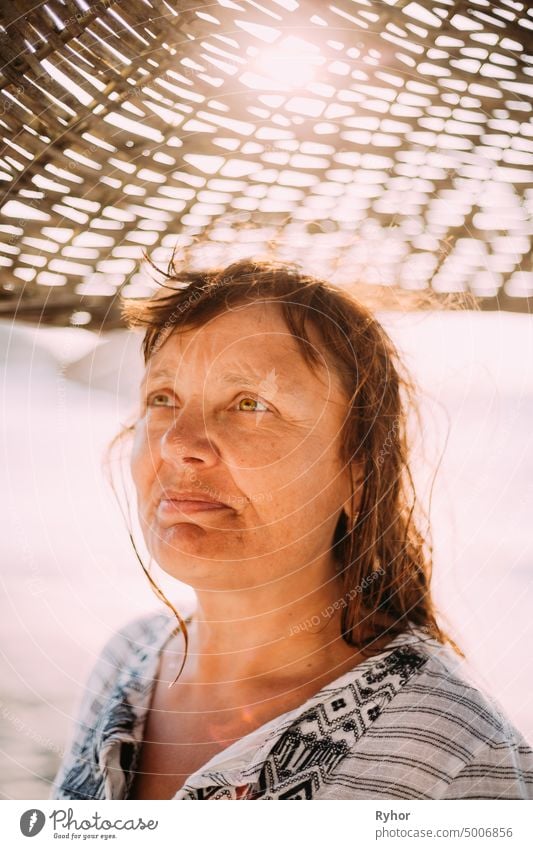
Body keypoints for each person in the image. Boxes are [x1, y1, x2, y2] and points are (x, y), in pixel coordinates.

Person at [50, 259, 533, 800]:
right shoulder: (127, 663)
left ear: (359, 468)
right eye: (162, 399)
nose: (177, 443)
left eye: (250, 404)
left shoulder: (451, 758)